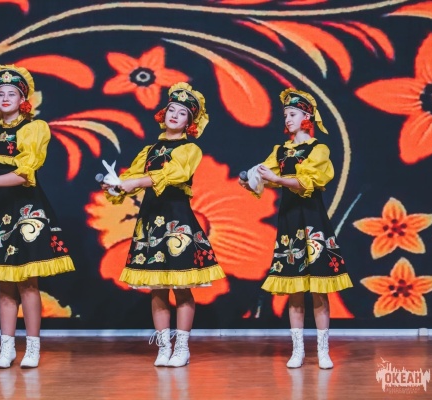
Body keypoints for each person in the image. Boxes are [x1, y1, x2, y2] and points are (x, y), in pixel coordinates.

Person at [0, 64, 75, 369]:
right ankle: (6, 347)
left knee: (27, 282)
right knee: (4, 282)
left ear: (23, 100)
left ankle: (32, 347)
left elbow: (24, 173)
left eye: (12, 93)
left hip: (25, 208)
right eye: (1, 93)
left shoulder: (34, 129)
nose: (5, 98)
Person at [103, 82, 225, 367]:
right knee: (157, 287)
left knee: (181, 286)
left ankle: (182, 346)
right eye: (172, 109)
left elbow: (175, 174)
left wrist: (135, 181)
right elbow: (131, 179)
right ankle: (163, 345)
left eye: (182, 113)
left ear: (189, 122)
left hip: (177, 219)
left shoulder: (189, 149)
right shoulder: (150, 150)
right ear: (163, 113)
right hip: (151, 220)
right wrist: (117, 186)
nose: (175, 115)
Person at [239, 88, 352, 369]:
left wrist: (277, 178)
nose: (287, 119)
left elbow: (307, 182)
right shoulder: (280, 151)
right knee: (295, 287)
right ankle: (298, 350)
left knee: (319, 288)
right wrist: (251, 180)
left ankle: (323, 350)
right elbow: (263, 174)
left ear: (306, 117)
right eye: (285, 115)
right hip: (289, 221)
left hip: (312, 219)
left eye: (292, 114)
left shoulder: (318, 149)